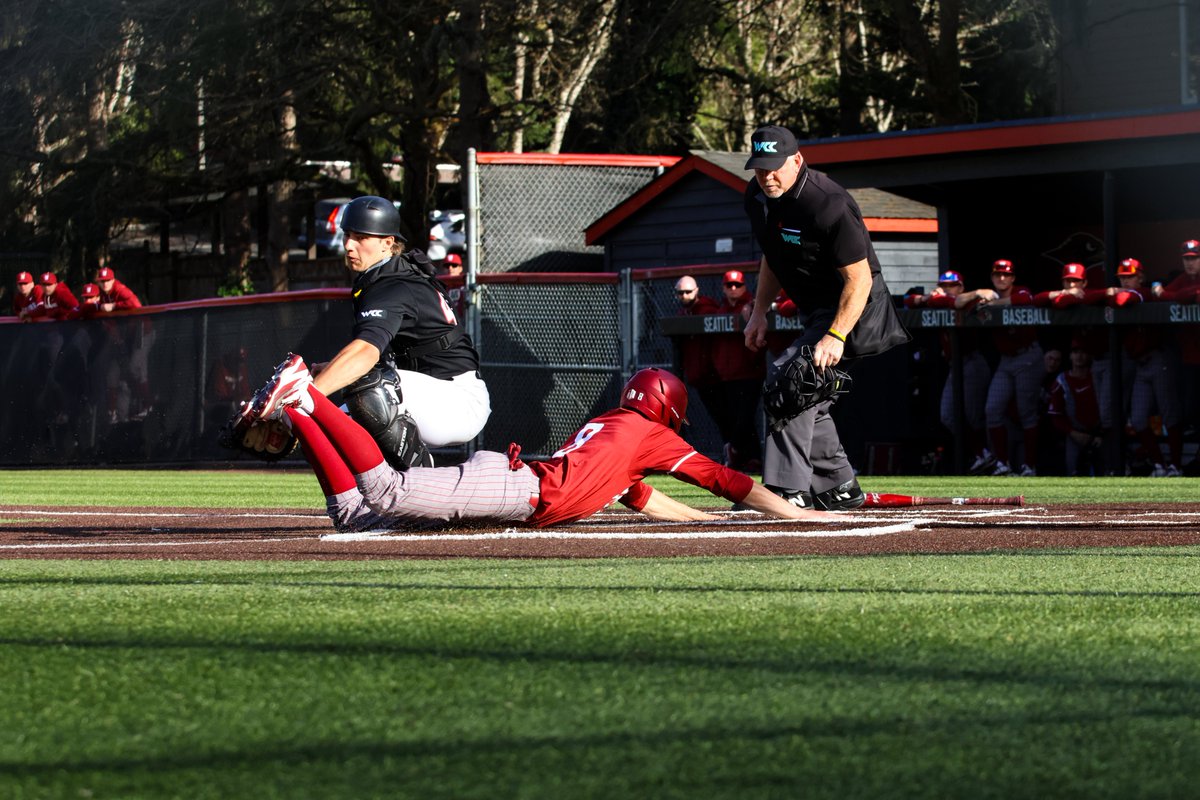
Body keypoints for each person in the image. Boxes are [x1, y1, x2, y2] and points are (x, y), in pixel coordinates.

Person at [234, 355, 836, 531]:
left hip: (520, 483)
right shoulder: (648, 433)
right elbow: (734, 484)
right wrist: (796, 514)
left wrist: (698, 523)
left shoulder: (613, 430)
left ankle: (298, 414)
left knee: (354, 516)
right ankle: (307, 397)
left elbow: (640, 498)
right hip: (518, 487)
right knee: (385, 492)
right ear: (667, 412)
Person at [742, 125, 910, 510]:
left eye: (775, 167)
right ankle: (839, 486)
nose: (767, 176)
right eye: (759, 168)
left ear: (797, 160)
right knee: (808, 395)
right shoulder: (756, 197)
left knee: (790, 381)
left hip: (857, 309)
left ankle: (787, 492)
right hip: (817, 310)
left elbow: (860, 277)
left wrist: (835, 334)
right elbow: (772, 257)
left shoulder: (827, 201)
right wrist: (758, 312)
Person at [310, 195, 491, 469]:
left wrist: (308, 395)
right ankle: (378, 503)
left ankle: (423, 478)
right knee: (331, 431)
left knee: (367, 386)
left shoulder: (394, 285)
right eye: (348, 235)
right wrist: (329, 373)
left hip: (458, 400)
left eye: (361, 237)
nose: (349, 245)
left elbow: (365, 354)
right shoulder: (386, 277)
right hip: (428, 393)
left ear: (387, 242)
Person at [910, 270, 995, 472]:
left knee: (975, 416)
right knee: (948, 415)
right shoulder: (939, 299)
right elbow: (909, 301)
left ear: (961, 287)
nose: (948, 289)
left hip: (973, 362)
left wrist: (970, 295)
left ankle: (989, 456)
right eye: (945, 285)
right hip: (955, 366)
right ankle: (983, 453)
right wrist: (929, 296)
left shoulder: (967, 300)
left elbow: (958, 303)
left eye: (953, 285)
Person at [1113, 257, 1183, 476]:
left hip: (1159, 360)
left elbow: (1126, 298)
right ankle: (1159, 465)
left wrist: (1111, 293)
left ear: (1140, 277)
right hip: (1140, 365)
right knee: (1139, 418)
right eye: (1122, 277)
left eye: (1130, 276)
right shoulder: (1128, 293)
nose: (1126, 281)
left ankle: (1176, 466)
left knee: (1169, 414)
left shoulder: (1146, 293)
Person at [976, 259, 1041, 477]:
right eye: (997, 275)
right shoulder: (988, 295)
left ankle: (1029, 465)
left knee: (1026, 412)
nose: (1001, 279)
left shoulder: (1020, 291)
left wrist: (994, 304)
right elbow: (961, 306)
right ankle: (1002, 463)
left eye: (1006, 275)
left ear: (1012, 277)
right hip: (1006, 360)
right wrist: (978, 295)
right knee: (992, 409)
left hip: (1027, 356)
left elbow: (1026, 299)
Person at [710, 269, 765, 471]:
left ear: (744, 286)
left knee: (745, 416)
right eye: (729, 285)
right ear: (723, 288)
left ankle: (735, 451)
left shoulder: (753, 306)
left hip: (750, 373)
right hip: (726, 375)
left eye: (738, 285)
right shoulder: (719, 310)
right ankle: (751, 459)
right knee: (738, 419)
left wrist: (754, 307)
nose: (734, 289)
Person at [1153, 239, 1200, 447]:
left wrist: (1164, 293)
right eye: (1186, 259)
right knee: (1190, 406)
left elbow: (1192, 295)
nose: (1190, 263)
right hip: (1190, 357)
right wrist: (1161, 293)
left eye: (1194, 258)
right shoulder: (1183, 278)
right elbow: (1158, 298)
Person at [672, 275, 722, 442]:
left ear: (696, 291)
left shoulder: (709, 311)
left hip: (716, 376)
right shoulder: (681, 315)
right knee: (718, 417)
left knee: (727, 416)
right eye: (680, 293)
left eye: (687, 292)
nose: (684, 296)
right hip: (697, 377)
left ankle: (743, 455)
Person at [1046, 339, 1106, 476]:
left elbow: (1110, 408)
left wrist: (1101, 434)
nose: (1079, 356)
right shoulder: (1061, 381)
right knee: (1073, 475)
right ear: (1070, 356)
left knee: (1104, 474)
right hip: (1074, 435)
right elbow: (1056, 416)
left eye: (1083, 352)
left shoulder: (1098, 377)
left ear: (1089, 356)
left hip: (1100, 435)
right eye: (1075, 352)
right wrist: (1074, 433)